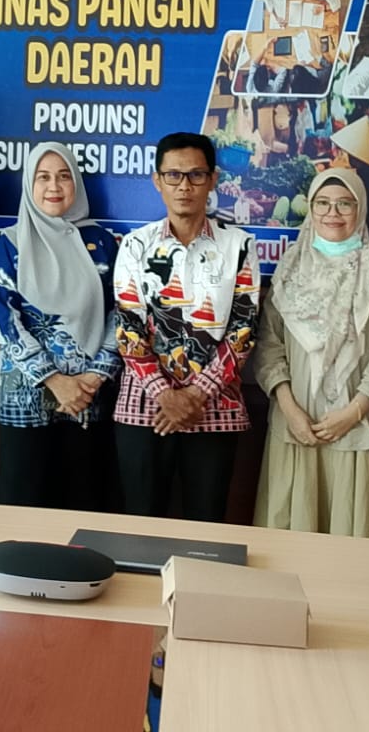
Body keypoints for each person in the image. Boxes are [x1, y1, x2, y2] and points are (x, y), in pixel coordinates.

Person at [253, 169, 369, 540]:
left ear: (361, 208)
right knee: (294, 543)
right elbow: (269, 344)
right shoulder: (289, 268)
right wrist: (290, 410)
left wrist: (353, 412)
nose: (332, 213)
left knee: (360, 545)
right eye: (322, 203)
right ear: (310, 208)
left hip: (364, 429)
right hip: (299, 426)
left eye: (345, 204)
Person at [112, 132, 259, 522]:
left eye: (196, 175)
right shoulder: (135, 245)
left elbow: (243, 329)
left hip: (215, 407)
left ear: (212, 180)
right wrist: (166, 395)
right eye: (173, 176)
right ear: (157, 181)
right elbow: (128, 327)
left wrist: (196, 394)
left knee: (206, 526)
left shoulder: (239, 245)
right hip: (146, 407)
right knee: (141, 522)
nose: (184, 186)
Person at [0, 142, 121, 510]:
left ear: (76, 182)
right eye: (43, 177)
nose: (54, 186)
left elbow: (122, 314)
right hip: (25, 397)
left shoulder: (102, 243)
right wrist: (55, 381)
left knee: (85, 504)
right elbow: (3, 319)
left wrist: (94, 377)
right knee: (24, 506)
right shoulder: (11, 244)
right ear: (29, 185)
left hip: (88, 396)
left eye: (64, 176)